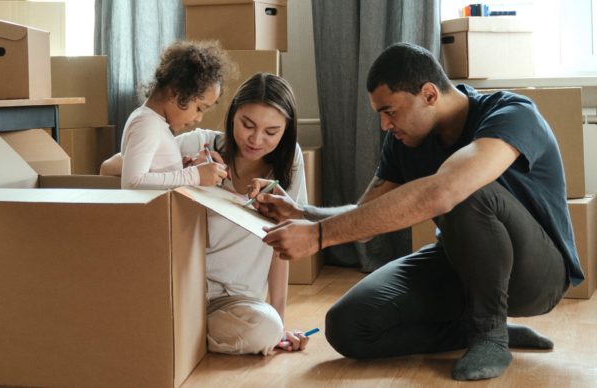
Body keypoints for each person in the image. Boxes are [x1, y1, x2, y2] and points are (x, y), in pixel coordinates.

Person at [250, 42, 583, 380]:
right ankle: (472, 329)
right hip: (460, 264)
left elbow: (446, 191)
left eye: (390, 111)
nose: (383, 125)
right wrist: (303, 214)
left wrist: (319, 237)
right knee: (348, 326)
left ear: (428, 94)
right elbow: (367, 215)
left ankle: (490, 335)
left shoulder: (512, 113)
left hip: (537, 276)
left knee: (465, 189)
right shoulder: (404, 141)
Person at [102, 72, 312, 355]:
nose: (256, 139)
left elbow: (282, 246)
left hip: (236, 301)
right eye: (247, 125)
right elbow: (110, 167)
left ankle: (174, 335)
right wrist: (186, 172)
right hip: (183, 288)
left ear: (286, 131)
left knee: (267, 329)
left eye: (271, 132)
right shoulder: (197, 144)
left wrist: (280, 322)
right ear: (232, 114)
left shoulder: (290, 164)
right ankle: (176, 333)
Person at [118, 40, 229, 189]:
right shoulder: (146, 124)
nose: (199, 118)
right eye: (199, 109)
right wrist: (194, 175)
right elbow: (132, 183)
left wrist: (179, 170)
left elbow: (153, 175)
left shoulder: (156, 123)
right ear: (175, 92)